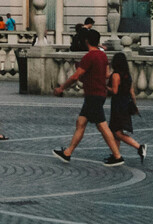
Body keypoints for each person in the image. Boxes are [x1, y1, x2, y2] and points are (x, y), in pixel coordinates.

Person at [51, 33, 123, 166]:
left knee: (102, 125)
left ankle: (117, 156)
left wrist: (61, 88)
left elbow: (75, 77)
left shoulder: (89, 57)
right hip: (98, 94)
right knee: (81, 123)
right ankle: (67, 153)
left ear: (86, 41)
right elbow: (106, 74)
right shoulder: (102, 55)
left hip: (93, 95)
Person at [107, 50, 146, 162]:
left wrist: (105, 87)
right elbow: (132, 91)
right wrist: (135, 105)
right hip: (125, 103)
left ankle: (139, 147)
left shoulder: (116, 75)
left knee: (117, 132)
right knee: (116, 131)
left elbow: (114, 91)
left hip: (118, 105)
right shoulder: (127, 75)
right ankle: (116, 154)